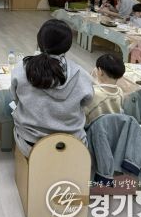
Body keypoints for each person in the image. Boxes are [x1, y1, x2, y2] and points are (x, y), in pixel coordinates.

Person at [10, 19, 94, 157]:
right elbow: (87, 102)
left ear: (39, 40)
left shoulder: (22, 68)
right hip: (72, 144)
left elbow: (14, 97)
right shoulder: (81, 74)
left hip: (31, 144)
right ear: (68, 45)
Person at [85, 53, 126, 126]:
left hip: (92, 129)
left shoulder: (93, 93)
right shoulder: (120, 92)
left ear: (100, 71)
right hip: (112, 127)